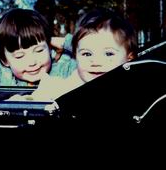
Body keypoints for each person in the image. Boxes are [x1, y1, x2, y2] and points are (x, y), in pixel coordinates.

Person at [9, 7, 138, 101]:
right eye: (87, 54)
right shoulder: (71, 84)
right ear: (76, 56)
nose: (96, 62)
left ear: (129, 58)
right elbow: (40, 96)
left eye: (109, 54)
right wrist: (23, 101)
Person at [0, 8, 77, 86]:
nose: (32, 62)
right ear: (5, 60)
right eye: (20, 56)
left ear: (50, 48)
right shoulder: (2, 75)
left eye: (39, 50)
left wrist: (62, 42)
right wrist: (0, 42)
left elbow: (91, 51)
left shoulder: (64, 70)